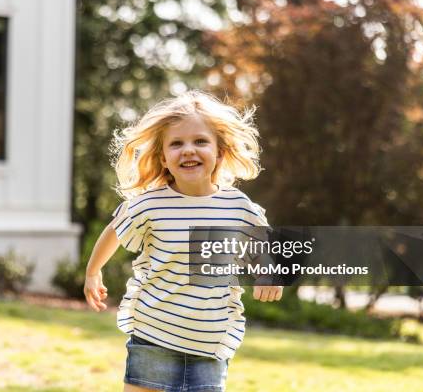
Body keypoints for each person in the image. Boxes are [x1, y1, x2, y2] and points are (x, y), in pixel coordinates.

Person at [84, 90, 283, 392]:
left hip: (209, 342)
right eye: (177, 144)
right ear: (164, 158)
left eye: (200, 141)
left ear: (220, 151)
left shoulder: (237, 206)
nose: (188, 150)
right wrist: (93, 271)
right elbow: (115, 229)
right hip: (154, 333)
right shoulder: (150, 204)